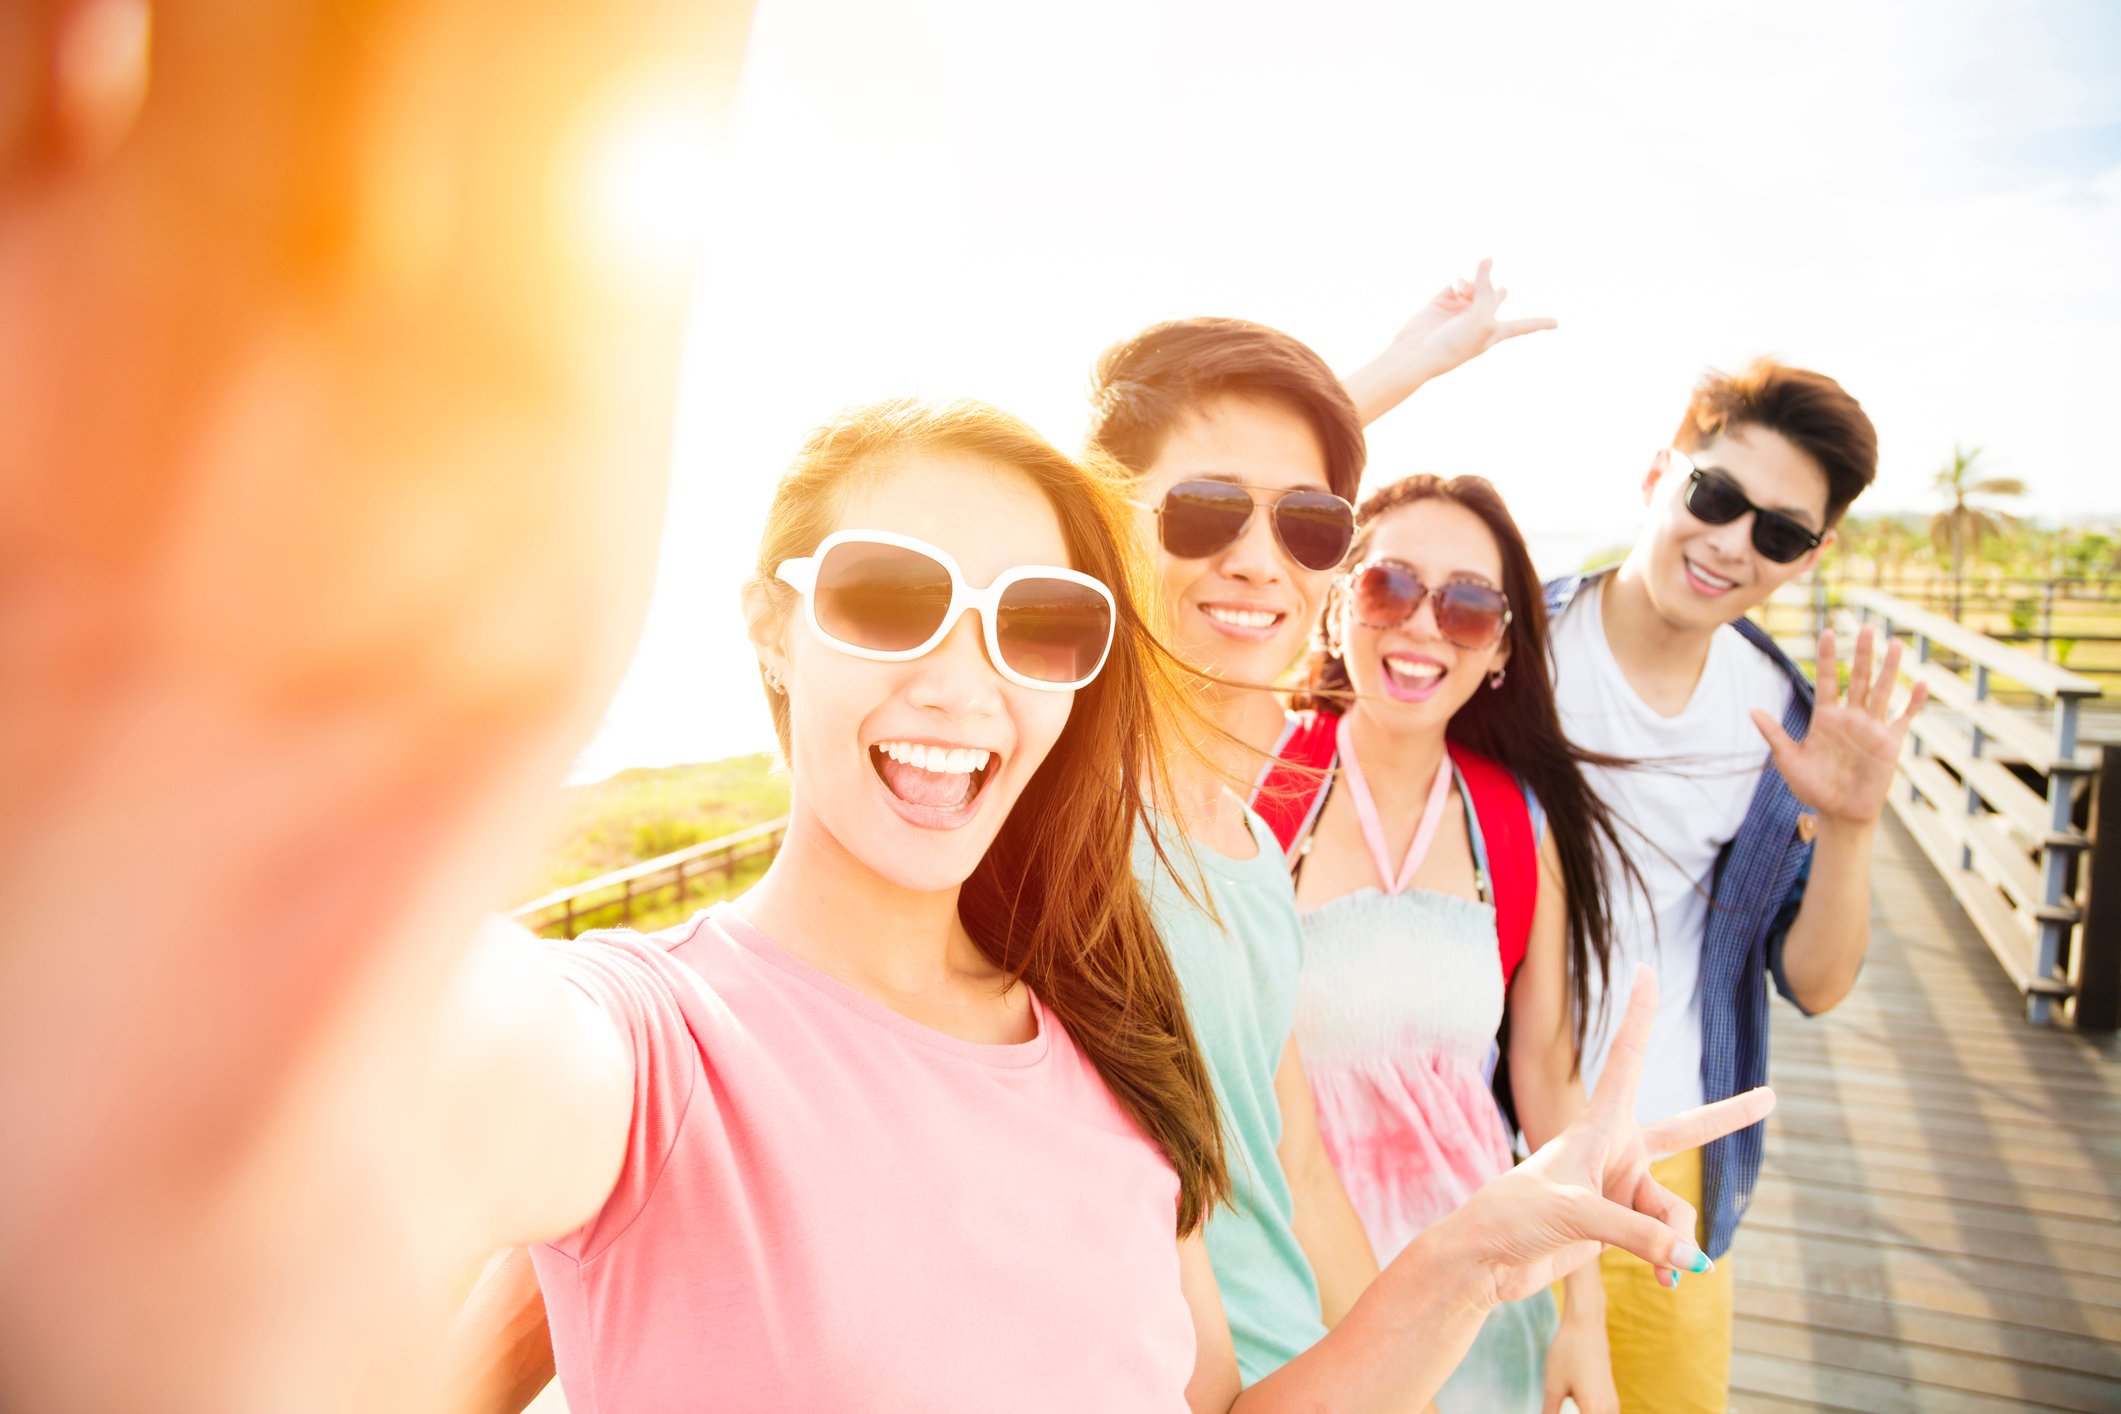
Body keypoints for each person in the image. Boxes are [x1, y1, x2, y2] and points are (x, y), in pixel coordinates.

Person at [449, 396, 1767, 1414]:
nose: (963, 682)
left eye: (1037, 622)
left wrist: (1480, 1250)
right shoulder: (646, 1041)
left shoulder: (1116, 1032)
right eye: (890, 597)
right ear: (771, 626)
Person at [1354, 352, 1927, 1411]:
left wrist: (1849, 824)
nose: (1730, 543)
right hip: (1461, 1134)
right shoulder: (1498, 650)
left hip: (1655, 1157)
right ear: (1659, 471)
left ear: (1810, 556)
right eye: (1715, 496)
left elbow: (1819, 980)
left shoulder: (1782, 719)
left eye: (1780, 532)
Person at [1254, 473, 1636, 1414]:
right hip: (1287, 1290)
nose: (1424, 625)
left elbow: (1547, 1081)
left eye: (1467, 604)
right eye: (1390, 586)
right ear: (1339, 600)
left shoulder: (1511, 821)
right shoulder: (1260, 790)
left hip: (1483, 1291)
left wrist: (1581, 1314)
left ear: (1500, 645)